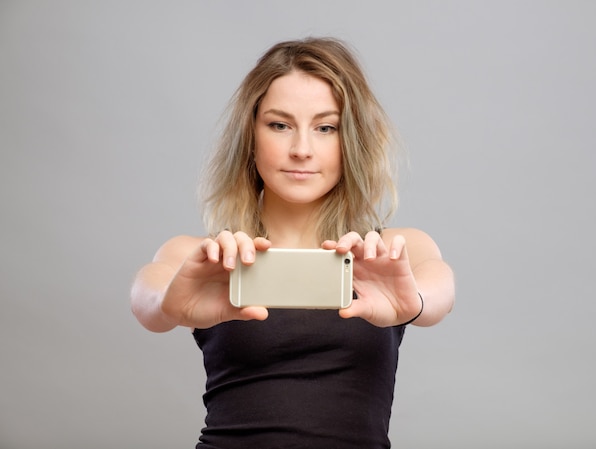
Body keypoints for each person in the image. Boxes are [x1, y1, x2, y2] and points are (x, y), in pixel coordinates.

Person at [130, 37, 455, 449]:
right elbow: (148, 293)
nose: (301, 149)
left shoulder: (389, 252)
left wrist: (416, 303)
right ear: (250, 135)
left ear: (350, 139)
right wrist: (167, 303)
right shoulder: (209, 258)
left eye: (326, 127)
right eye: (279, 125)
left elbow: (439, 286)